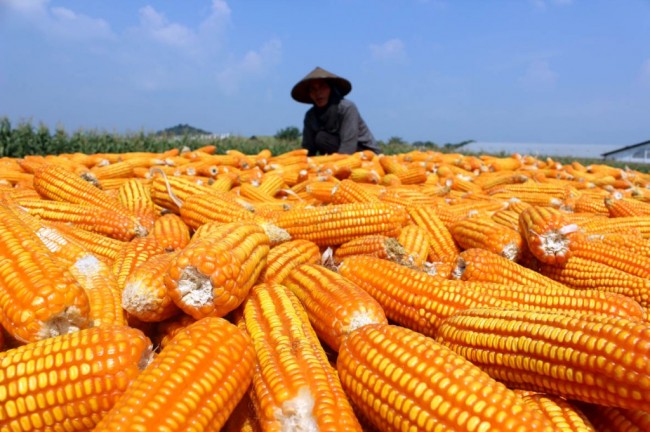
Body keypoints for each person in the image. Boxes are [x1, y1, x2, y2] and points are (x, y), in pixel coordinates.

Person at [291, 66, 381, 156]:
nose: (318, 93)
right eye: (313, 89)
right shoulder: (310, 116)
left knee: (321, 138)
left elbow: (348, 145)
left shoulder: (347, 108)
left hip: (364, 152)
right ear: (309, 94)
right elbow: (308, 148)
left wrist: (337, 166)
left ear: (331, 89)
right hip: (335, 152)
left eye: (322, 87)